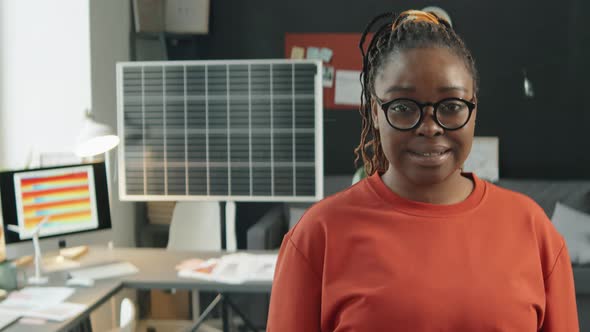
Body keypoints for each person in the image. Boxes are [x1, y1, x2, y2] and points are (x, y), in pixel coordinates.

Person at [267, 9, 579, 331]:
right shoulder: (318, 236)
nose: (429, 127)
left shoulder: (533, 231)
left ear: (473, 109)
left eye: (451, 106)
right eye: (402, 107)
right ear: (375, 112)